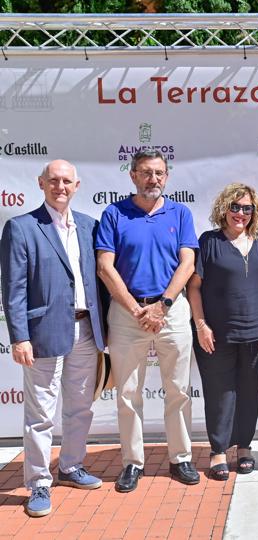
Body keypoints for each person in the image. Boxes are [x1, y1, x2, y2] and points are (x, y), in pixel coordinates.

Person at [0, 160, 105, 517]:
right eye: (53, 181)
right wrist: (19, 337)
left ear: (77, 186)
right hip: (43, 332)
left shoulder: (90, 227)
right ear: (41, 184)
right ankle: (39, 482)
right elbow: (13, 289)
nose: (60, 187)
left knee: (80, 407)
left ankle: (71, 467)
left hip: (86, 329)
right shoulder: (21, 227)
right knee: (40, 413)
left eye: (67, 182)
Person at [96, 149, 199, 492]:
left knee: (178, 390)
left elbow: (187, 264)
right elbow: (105, 267)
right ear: (133, 176)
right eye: (145, 173)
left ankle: (181, 457)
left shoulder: (180, 213)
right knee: (127, 392)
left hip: (171, 311)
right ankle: (132, 463)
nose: (152, 179)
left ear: (166, 177)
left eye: (158, 173)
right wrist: (137, 309)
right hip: (128, 314)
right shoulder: (114, 213)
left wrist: (162, 305)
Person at [187, 183, 258, 480]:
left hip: (257, 333)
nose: (240, 214)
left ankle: (244, 447)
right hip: (216, 333)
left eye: (247, 208)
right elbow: (193, 287)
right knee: (220, 392)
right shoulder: (209, 242)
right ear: (224, 209)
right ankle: (218, 450)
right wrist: (201, 325)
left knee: (249, 392)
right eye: (235, 207)